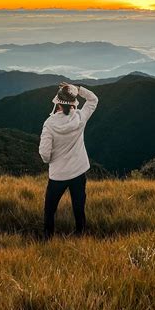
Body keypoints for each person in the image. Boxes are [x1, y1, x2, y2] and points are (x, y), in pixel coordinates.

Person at [39, 81, 99, 239]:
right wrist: (77, 89)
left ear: (58, 104)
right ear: (73, 103)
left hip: (58, 175)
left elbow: (44, 155)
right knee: (79, 207)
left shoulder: (49, 124)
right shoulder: (80, 117)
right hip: (79, 172)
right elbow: (93, 100)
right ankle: (81, 234)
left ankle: (47, 238)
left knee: (50, 209)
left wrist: (54, 160)